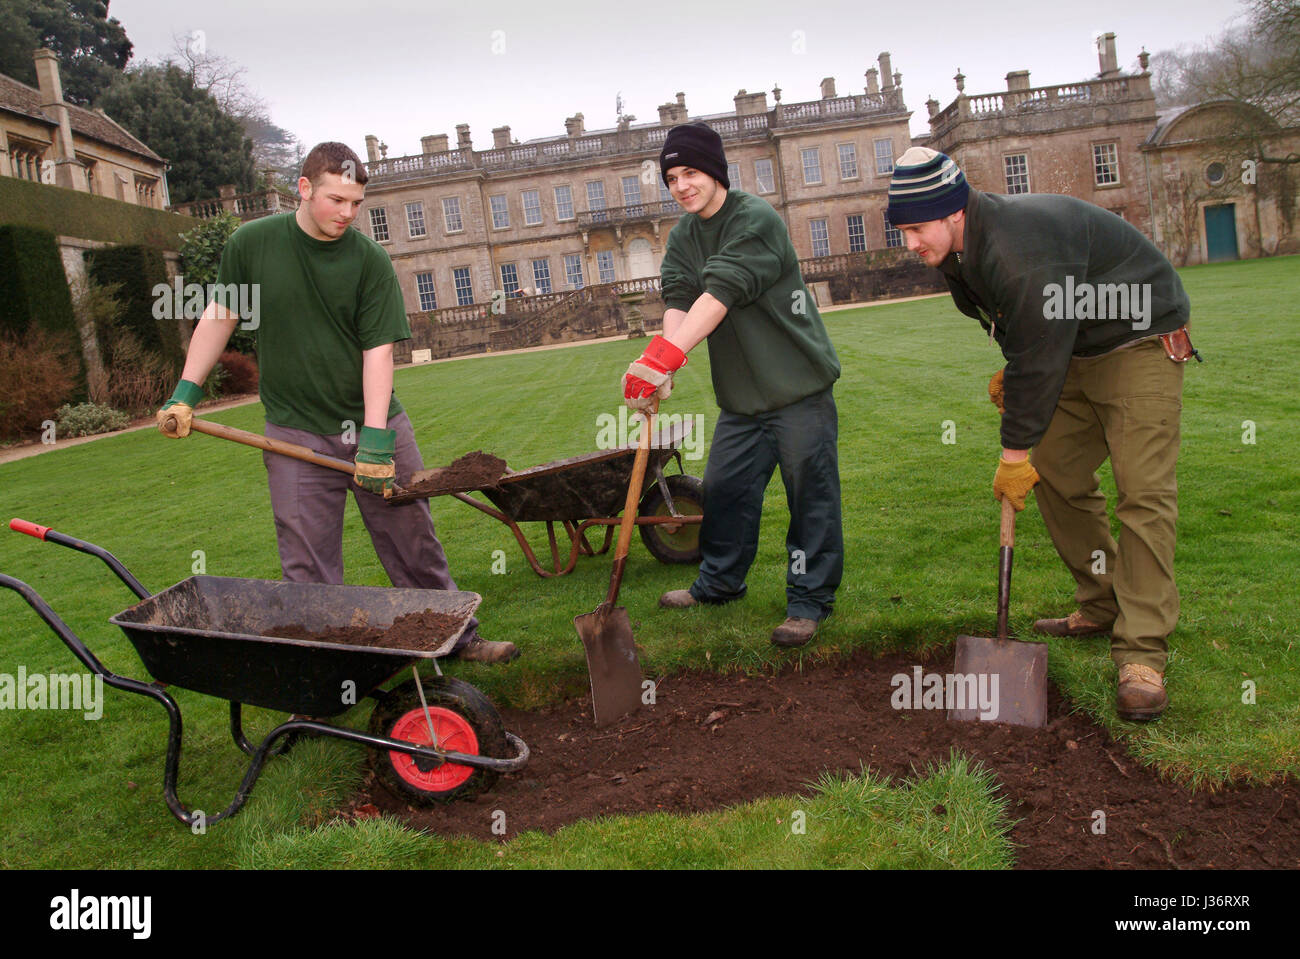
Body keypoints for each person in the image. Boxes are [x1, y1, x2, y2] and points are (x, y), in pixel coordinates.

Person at [156, 141, 516, 664]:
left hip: (373, 421)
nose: (347, 214)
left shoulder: (368, 259)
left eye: (355, 203)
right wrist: (184, 394)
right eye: (336, 200)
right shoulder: (252, 244)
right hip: (293, 429)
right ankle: (327, 667)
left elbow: (378, 352)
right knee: (306, 561)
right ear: (304, 189)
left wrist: (374, 440)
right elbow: (220, 315)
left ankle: (456, 639)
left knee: (412, 540)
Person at [887, 146, 1194, 720]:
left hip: (1140, 336)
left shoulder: (1016, 248)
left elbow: (1038, 337)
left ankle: (1142, 652)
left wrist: (1012, 452)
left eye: (917, 228)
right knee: (1055, 470)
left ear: (955, 212)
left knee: (1143, 492)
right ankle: (1103, 601)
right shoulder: (958, 253)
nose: (910, 245)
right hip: (1073, 342)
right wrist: (1019, 367)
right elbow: (1023, 331)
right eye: (902, 231)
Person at [623, 122, 843, 648]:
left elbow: (720, 293)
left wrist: (665, 357)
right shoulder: (682, 236)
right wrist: (664, 367)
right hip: (743, 401)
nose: (681, 186)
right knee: (724, 492)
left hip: (797, 389)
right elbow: (679, 297)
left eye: (691, 172)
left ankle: (808, 601)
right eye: (671, 177)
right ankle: (720, 583)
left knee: (809, 499)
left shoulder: (755, 219)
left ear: (716, 172)